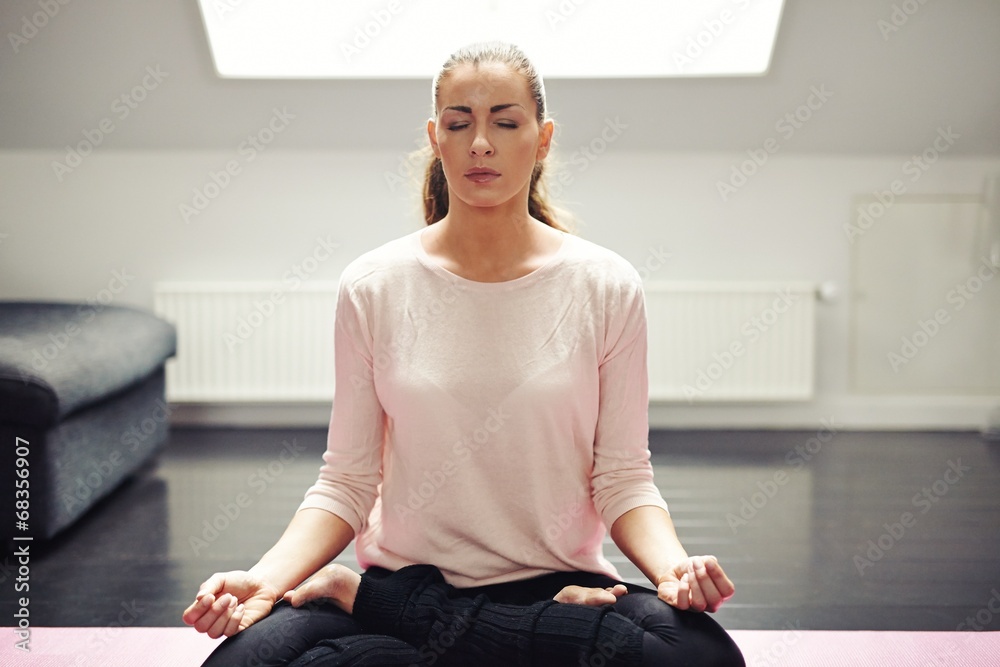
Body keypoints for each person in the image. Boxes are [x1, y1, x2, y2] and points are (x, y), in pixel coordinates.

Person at [183, 41, 745, 666]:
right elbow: (346, 480)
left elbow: (622, 476)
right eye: (459, 123)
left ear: (543, 138)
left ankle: (372, 608)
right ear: (436, 137)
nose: (481, 142)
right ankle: (478, 635)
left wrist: (674, 571)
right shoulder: (374, 285)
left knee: (699, 659)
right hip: (411, 580)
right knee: (239, 664)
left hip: (559, 585)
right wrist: (264, 579)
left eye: (505, 122)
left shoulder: (606, 285)